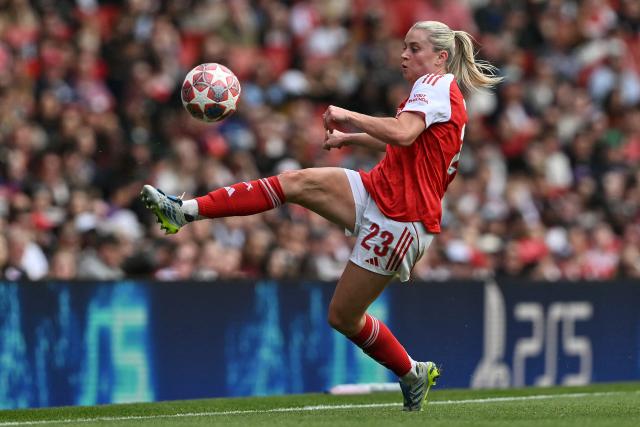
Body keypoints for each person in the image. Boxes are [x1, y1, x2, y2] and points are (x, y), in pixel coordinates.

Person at [141, 20, 501, 411]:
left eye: (415, 48)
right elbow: (410, 141)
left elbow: (402, 133)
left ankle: (412, 372)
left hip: (402, 219)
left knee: (343, 316)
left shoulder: (435, 86)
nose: (404, 54)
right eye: (405, 46)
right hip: (380, 190)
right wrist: (353, 139)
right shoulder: (434, 89)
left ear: (440, 57)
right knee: (296, 182)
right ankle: (185, 210)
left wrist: (350, 117)